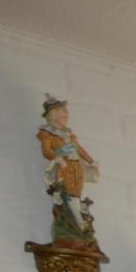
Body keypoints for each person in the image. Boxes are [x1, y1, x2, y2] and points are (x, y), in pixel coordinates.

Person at [36, 96, 99, 246]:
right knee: (67, 194)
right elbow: (46, 151)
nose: (65, 118)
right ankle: (76, 222)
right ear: (53, 116)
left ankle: (77, 222)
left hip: (75, 166)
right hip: (63, 166)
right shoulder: (47, 133)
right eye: (62, 115)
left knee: (76, 193)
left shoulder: (68, 134)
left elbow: (79, 149)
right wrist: (57, 157)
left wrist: (91, 161)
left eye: (66, 116)